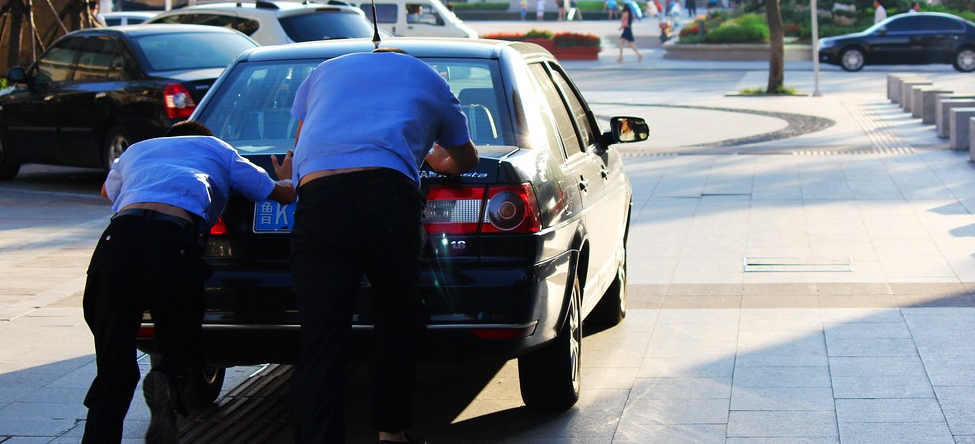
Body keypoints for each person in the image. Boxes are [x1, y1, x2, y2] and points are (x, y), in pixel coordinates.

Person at [288, 47, 478, 444]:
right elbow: (465, 156)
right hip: (387, 194)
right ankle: (391, 433)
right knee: (397, 316)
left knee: (322, 333)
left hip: (319, 198)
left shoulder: (325, 71)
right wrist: (439, 163)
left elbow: (301, 141)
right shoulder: (431, 79)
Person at [81, 120, 296, 444]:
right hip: (172, 240)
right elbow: (279, 195)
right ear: (205, 139)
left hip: (118, 241)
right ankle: (167, 380)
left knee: (113, 367)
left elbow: (106, 192)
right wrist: (285, 178)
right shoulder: (218, 150)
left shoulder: (138, 149)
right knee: (181, 342)